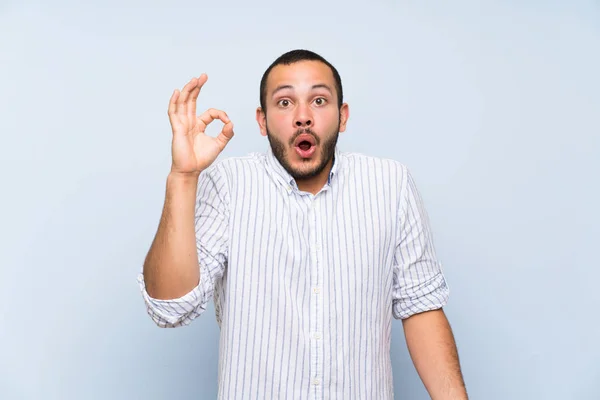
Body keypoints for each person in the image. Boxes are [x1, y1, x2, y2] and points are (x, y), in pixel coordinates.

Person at [138, 49, 468, 399]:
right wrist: (183, 177)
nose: (303, 117)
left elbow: (421, 309)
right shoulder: (228, 185)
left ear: (342, 116)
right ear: (262, 121)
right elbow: (169, 307)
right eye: (284, 103)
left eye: (319, 100)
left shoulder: (391, 184)